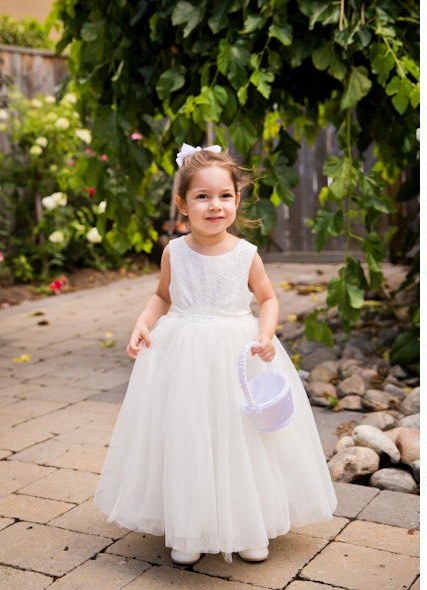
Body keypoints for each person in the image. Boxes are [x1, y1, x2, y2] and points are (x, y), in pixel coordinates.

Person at [94, 144, 336, 564]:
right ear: (182, 204)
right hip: (184, 354)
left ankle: (249, 524)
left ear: (237, 200)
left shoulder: (245, 253)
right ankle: (189, 527)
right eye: (202, 197)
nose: (214, 205)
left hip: (239, 354)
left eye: (224, 195)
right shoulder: (175, 251)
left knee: (241, 437)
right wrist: (142, 323)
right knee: (188, 435)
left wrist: (265, 333)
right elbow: (161, 296)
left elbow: (268, 298)